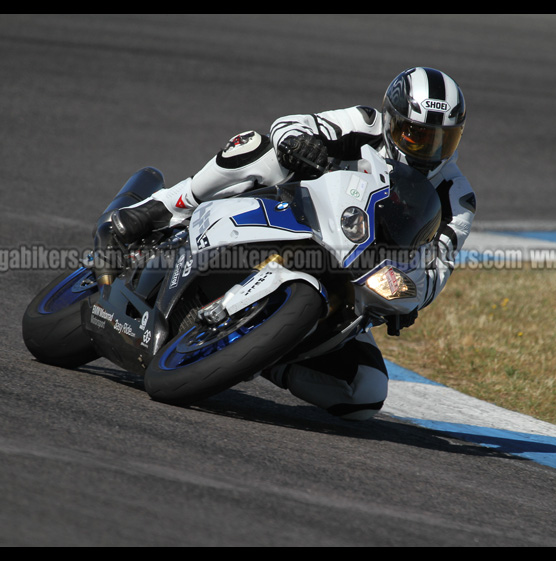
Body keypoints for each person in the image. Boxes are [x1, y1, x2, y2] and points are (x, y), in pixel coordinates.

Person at [99, 67, 476, 421]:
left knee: (364, 393)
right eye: (416, 135)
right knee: (259, 147)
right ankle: (159, 208)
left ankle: (265, 353)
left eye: (444, 139)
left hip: (356, 271)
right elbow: (291, 124)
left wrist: (411, 295)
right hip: (294, 212)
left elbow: (436, 267)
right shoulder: (363, 124)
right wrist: (297, 142)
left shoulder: (456, 198)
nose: (430, 150)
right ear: (392, 120)